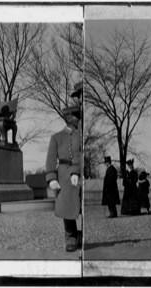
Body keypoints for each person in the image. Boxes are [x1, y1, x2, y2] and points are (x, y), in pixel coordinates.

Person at [46, 105, 82, 252]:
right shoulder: (56, 137)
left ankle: (82, 235)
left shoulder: (80, 136)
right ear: (69, 118)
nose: (79, 120)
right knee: (67, 208)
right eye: (76, 117)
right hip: (64, 176)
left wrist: (76, 170)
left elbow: (80, 156)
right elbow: (50, 159)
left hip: (80, 173)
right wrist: (51, 178)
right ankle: (71, 238)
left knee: (82, 207)